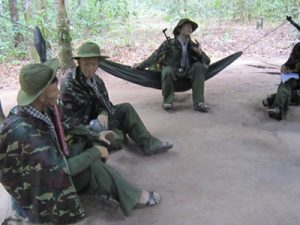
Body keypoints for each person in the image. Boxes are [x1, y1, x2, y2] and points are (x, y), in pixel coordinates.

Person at [0, 59, 161, 224]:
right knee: (93, 165)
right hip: (36, 190)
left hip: (49, 164)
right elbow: (62, 169)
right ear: (41, 95)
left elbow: (66, 125)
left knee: (93, 150)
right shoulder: (28, 134)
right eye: (54, 82)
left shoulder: (36, 110)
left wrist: (95, 136)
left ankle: (124, 191)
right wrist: (95, 152)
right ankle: (132, 196)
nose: (58, 84)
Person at [59, 42, 173, 156]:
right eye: (86, 64)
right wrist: (94, 133)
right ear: (78, 63)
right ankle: (116, 135)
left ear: (99, 64)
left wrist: (103, 112)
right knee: (115, 141)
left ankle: (150, 144)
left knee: (126, 108)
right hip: (82, 129)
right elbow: (68, 123)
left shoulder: (97, 81)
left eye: (94, 64)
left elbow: (105, 103)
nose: (90, 69)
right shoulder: (69, 83)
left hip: (97, 121)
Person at [133, 18, 211, 112]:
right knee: (167, 71)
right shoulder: (169, 44)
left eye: (191, 27)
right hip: (173, 72)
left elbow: (207, 61)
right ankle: (167, 102)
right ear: (179, 29)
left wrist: (200, 53)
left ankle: (199, 103)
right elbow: (155, 56)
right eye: (187, 27)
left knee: (198, 66)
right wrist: (141, 65)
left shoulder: (192, 45)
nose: (189, 29)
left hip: (187, 72)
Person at [263, 42, 300, 120]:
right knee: (286, 82)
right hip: (297, 79)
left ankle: (273, 98)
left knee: (297, 97)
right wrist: (286, 68)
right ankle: (277, 108)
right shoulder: (298, 47)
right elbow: (288, 64)